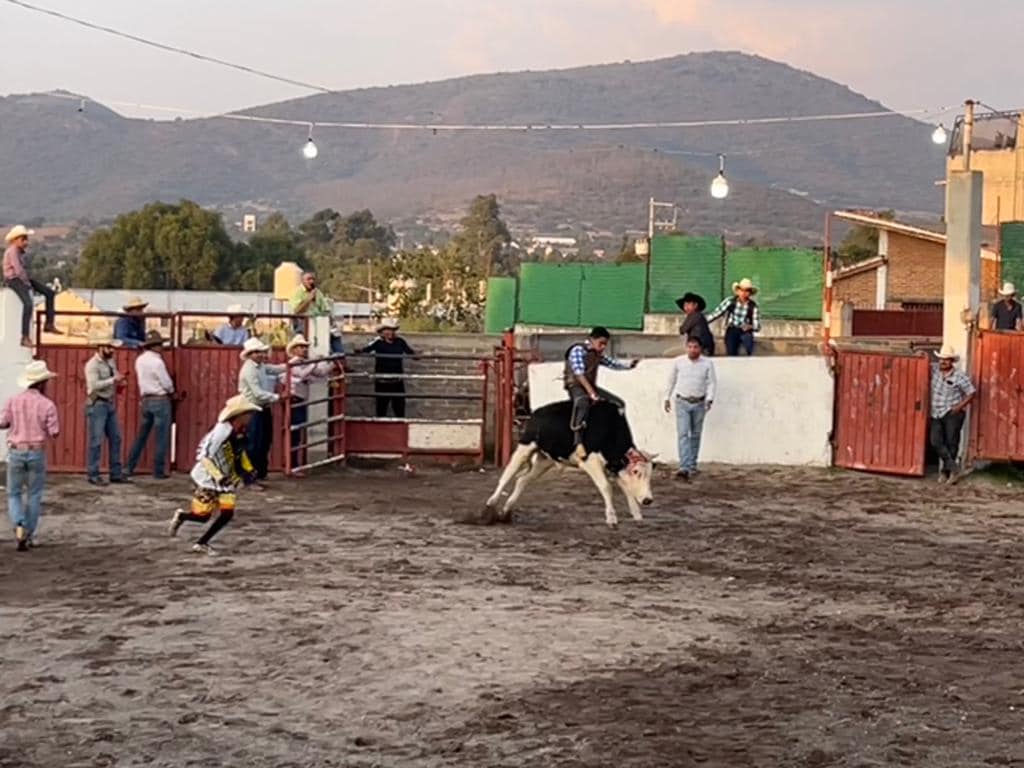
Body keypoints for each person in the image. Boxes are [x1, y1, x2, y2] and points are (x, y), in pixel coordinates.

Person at [167, 395, 260, 556]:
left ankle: (201, 542)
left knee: (227, 513)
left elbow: (239, 453)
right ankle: (182, 516)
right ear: (240, 415)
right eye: (248, 414)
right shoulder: (221, 432)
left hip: (226, 478)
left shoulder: (238, 430)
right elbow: (204, 457)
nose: (250, 417)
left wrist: (248, 468)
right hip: (208, 478)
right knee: (202, 516)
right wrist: (218, 476)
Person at [0, 360, 60, 551]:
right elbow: (55, 431)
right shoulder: (48, 404)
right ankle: (31, 534)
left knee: (14, 493)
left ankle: (19, 524)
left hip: (16, 450)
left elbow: (2, 423)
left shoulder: (13, 400)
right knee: (34, 494)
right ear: (42, 383)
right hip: (36, 450)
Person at [564, 326, 638, 457]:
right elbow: (579, 374)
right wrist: (591, 392)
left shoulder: (597, 354)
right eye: (601, 343)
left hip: (591, 386)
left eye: (605, 344)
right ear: (592, 340)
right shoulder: (578, 350)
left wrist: (629, 365)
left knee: (619, 404)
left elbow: (612, 363)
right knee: (583, 402)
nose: (603, 346)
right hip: (576, 385)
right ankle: (578, 442)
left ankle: (620, 437)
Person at [663, 337, 717, 481]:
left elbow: (711, 382)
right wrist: (666, 398)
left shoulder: (707, 363)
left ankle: (692, 465)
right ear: (686, 347)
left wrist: (710, 398)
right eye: (690, 347)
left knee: (695, 434)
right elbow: (671, 380)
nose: (692, 350)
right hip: (682, 401)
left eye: (695, 347)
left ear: (700, 348)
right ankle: (684, 466)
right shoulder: (678, 362)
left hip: (699, 402)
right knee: (683, 434)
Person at [125, 330, 174, 479]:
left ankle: (129, 467)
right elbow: (166, 383)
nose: (161, 347)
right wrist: (172, 390)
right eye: (159, 345)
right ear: (154, 347)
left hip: (146, 399)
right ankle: (158, 471)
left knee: (141, 436)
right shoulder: (157, 362)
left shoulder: (139, 360)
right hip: (160, 399)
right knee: (161, 437)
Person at [285, 334, 336, 475]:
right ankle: (292, 464)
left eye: (305, 347)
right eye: (301, 347)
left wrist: (330, 362)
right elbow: (303, 374)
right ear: (294, 349)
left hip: (300, 400)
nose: (304, 349)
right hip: (295, 399)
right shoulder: (294, 362)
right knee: (295, 433)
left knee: (297, 433)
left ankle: (293, 464)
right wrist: (315, 362)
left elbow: (319, 373)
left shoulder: (302, 363)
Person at [84, 331, 129, 485]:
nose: (112, 350)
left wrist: (119, 380)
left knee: (116, 438)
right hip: (97, 403)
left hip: (108, 402)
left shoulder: (110, 362)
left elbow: (113, 376)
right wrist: (113, 380)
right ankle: (93, 473)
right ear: (101, 347)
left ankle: (115, 473)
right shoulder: (92, 365)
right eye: (109, 348)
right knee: (96, 440)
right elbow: (93, 385)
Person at [237, 337, 284, 485]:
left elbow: (275, 369)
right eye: (257, 352)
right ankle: (251, 477)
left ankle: (259, 473)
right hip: (253, 408)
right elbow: (257, 393)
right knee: (254, 443)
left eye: (261, 352)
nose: (261, 355)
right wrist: (278, 397)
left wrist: (291, 364)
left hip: (262, 407)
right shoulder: (249, 370)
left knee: (264, 442)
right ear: (250, 354)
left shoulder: (260, 366)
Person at [4, 225, 60, 347]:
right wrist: (27, 283)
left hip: (22, 278)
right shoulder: (13, 251)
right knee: (28, 304)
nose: (26, 242)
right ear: (15, 240)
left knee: (49, 293)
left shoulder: (19, 251)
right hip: (14, 279)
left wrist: (28, 281)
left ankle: (49, 324)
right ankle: (24, 336)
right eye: (23, 239)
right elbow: (18, 270)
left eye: (26, 239)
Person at [929, 344, 976, 484]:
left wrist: (959, 406)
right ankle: (954, 468)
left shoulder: (959, 376)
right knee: (935, 441)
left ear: (951, 361)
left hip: (952, 413)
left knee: (951, 443)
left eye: (946, 359)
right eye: (941, 359)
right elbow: (922, 363)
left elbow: (971, 392)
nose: (943, 362)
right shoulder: (935, 371)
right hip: (936, 411)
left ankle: (947, 472)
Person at [360, 319, 416, 418]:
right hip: (382, 381)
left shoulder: (400, 342)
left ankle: (399, 428)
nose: (390, 332)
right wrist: (357, 351)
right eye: (387, 330)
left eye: (392, 330)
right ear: (382, 332)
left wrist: (417, 356)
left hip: (397, 380)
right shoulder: (377, 342)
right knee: (381, 407)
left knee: (399, 407)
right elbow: (365, 350)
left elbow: (410, 353)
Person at [706, 278, 761, 357]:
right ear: (738, 291)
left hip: (745, 331)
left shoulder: (753, 306)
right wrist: (704, 322)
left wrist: (750, 326)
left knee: (748, 345)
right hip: (732, 328)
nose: (743, 293)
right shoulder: (730, 301)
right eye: (741, 290)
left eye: (746, 291)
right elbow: (717, 313)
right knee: (731, 350)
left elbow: (757, 326)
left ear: (750, 293)